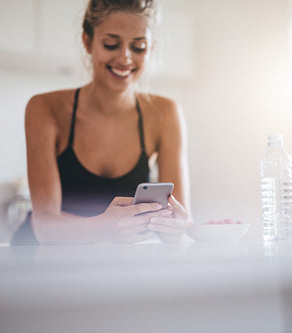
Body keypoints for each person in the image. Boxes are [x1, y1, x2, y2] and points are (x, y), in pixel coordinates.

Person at [11, 0, 191, 245]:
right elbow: (44, 226)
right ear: (87, 41)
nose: (125, 57)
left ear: (151, 48)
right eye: (111, 44)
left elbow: (179, 219)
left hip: (116, 265)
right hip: (44, 257)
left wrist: (176, 225)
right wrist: (103, 228)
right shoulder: (45, 108)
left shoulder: (165, 113)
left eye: (138, 47)